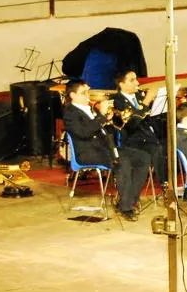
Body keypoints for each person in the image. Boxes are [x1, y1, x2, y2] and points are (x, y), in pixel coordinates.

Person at [63, 80, 151, 221]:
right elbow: (84, 133)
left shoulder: (90, 108)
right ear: (73, 95)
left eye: (88, 92)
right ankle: (125, 207)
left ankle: (129, 200)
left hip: (105, 148)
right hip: (88, 153)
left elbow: (102, 130)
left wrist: (111, 120)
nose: (88, 95)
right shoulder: (70, 113)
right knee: (122, 162)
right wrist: (102, 116)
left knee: (143, 157)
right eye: (83, 93)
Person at [111, 69, 165, 181]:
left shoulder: (140, 96)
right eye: (132, 80)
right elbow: (131, 125)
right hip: (132, 140)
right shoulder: (116, 101)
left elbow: (151, 118)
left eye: (136, 79)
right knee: (158, 149)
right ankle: (165, 184)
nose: (137, 83)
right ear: (121, 84)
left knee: (170, 143)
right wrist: (146, 103)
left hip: (148, 135)